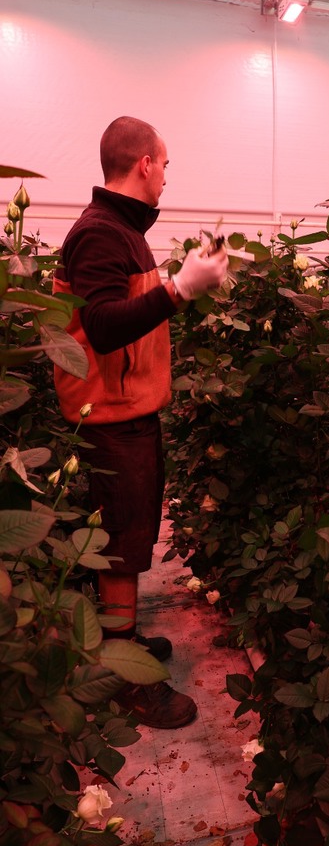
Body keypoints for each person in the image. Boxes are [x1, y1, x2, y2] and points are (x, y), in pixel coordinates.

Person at [53, 116, 228, 729]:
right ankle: (124, 682)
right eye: (166, 164)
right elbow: (102, 327)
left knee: (127, 538)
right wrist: (179, 290)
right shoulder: (102, 234)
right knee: (121, 546)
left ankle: (119, 640)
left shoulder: (121, 230)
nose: (167, 177)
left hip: (126, 408)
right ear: (145, 164)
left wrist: (181, 283)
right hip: (108, 415)